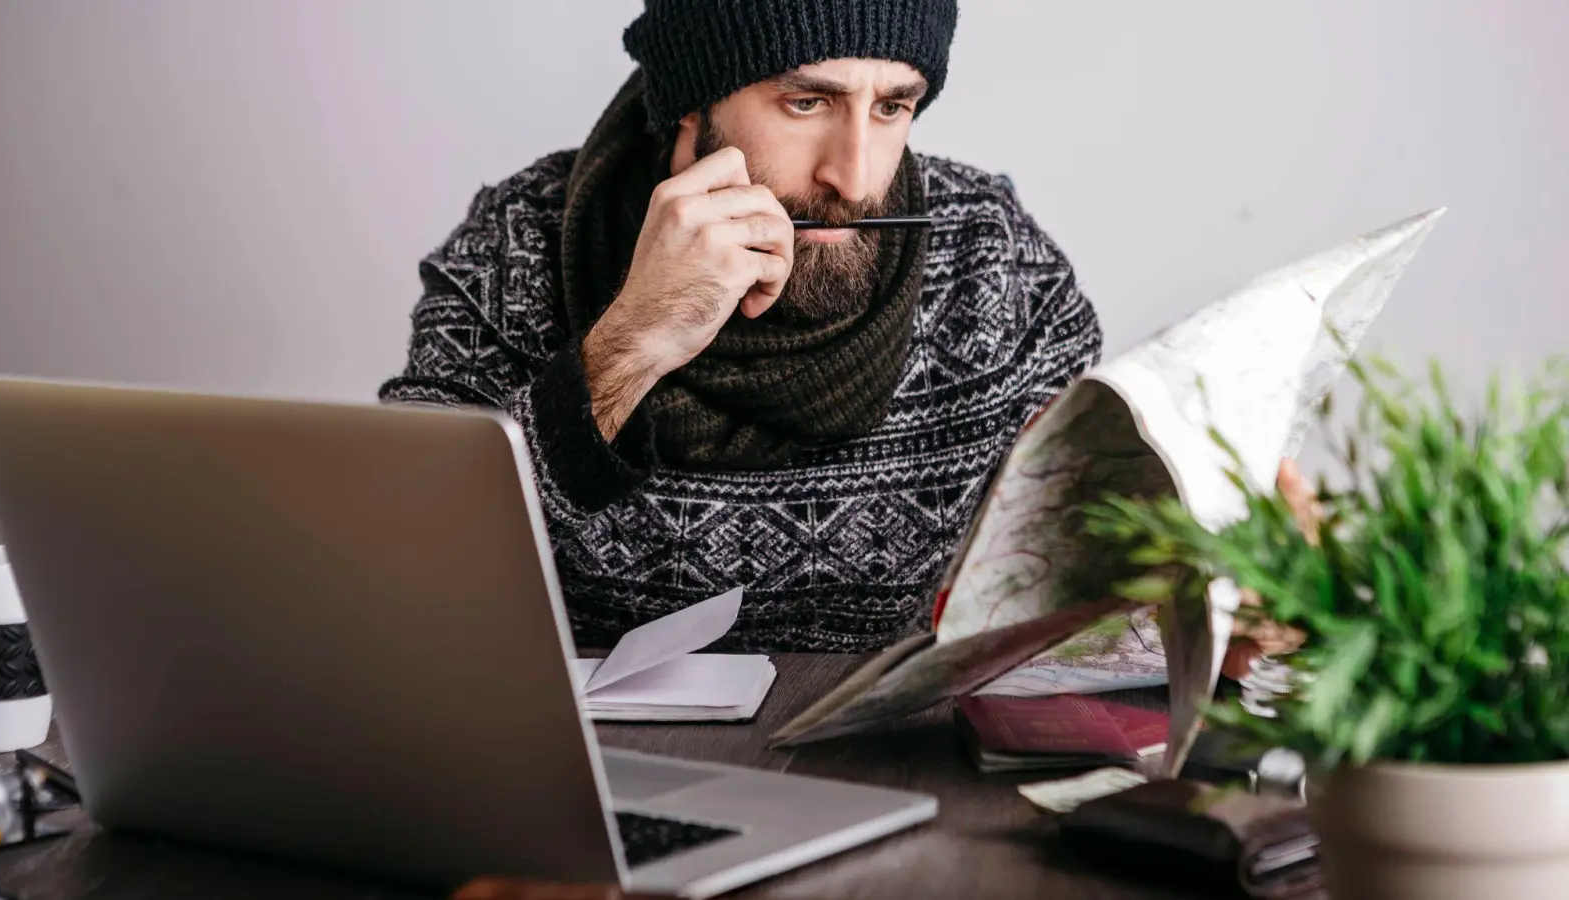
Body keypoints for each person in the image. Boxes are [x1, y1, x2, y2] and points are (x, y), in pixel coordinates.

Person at [378, 0, 1303, 672]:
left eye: (892, 106)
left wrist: (1211, 613)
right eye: (806, 102)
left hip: (888, 778)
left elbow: (1065, 618)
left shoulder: (997, 269)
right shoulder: (516, 244)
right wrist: (628, 346)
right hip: (581, 777)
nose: (854, 177)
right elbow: (398, 574)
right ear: (690, 110)